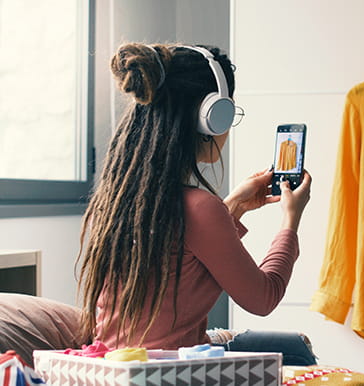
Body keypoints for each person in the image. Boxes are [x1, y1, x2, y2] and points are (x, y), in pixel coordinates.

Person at [75, 43, 312, 362]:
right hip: (170, 373)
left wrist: (236, 206)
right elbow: (263, 298)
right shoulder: (201, 208)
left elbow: (183, 251)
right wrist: (291, 221)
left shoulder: (118, 201)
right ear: (213, 116)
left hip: (117, 367)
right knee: (298, 352)